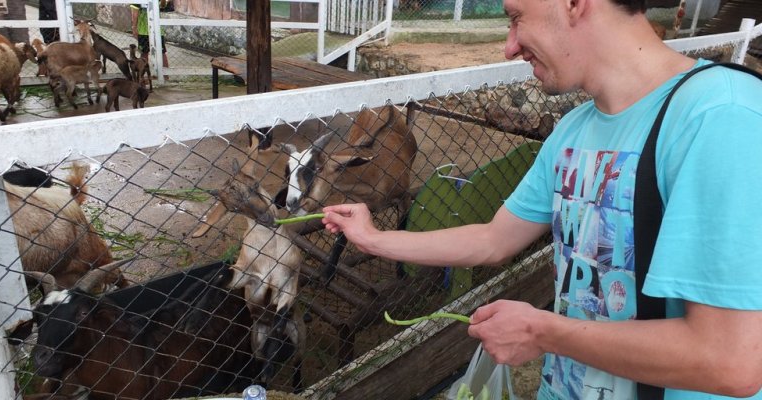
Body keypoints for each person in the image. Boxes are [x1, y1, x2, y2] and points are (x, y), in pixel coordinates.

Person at [322, 0, 762, 398]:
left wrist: (544, 332)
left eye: (516, 18)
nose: (509, 47)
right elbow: (493, 239)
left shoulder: (720, 117)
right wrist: (373, 238)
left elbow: (730, 362)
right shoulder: (572, 131)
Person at [130, 0, 169, 69]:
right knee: (161, 53)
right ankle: (166, 76)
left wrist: (134, 28)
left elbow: (134, 15)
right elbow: (164, 5)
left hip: (143, 31)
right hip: (157, 30)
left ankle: (143, 75)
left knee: (144, 54)